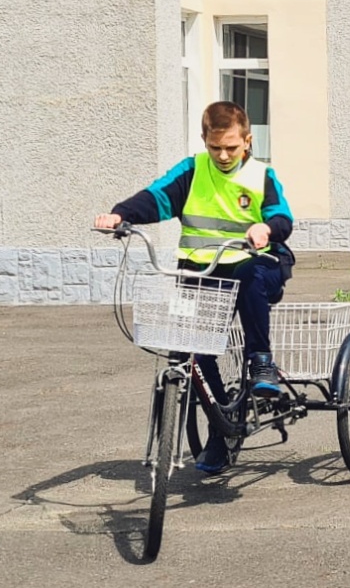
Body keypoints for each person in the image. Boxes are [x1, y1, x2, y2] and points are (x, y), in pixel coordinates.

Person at [94, 100, 294, 474]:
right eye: (214, 146)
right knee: (195, 356)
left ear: (247, 141)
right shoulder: (192, 171)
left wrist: (266, 228)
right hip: (202, 273)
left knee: (250, 276)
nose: (222, 155)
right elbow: (155, 198)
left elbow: (283, 216)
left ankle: (260, 363)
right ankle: (222, 432)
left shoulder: (261, 176)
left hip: (258, 265)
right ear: (204, 140)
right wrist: (120, 214)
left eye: (231, 147)